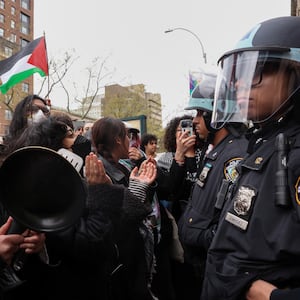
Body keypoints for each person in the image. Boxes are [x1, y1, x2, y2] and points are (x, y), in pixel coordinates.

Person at [0, 115, 158, 300]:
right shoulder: (49, 196)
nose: (79, 140)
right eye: (70, 136)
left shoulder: (89, 175)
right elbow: (95, 242)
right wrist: (102, 190)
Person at [200, 16, 300, 300]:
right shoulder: (265, 143)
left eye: (256, 72)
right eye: (237, 77)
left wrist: (272, 297)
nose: (241, 86)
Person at [175, 69, 248, 298]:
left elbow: (232, 223)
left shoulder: (235, 155)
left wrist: (201, 238)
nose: (195, 120)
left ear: (219, 114)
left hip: (211, 263)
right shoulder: (218, 151)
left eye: (201, 112)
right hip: (200, 263)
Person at [91, 117, 159, 300]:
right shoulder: (98, 172)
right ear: (118, 140)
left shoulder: (122, 166)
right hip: (120, 261)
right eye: (128, 136)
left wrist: (148, 185)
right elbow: (117, 220)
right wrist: (135, 191)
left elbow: (140, 204)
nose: (131, 142)